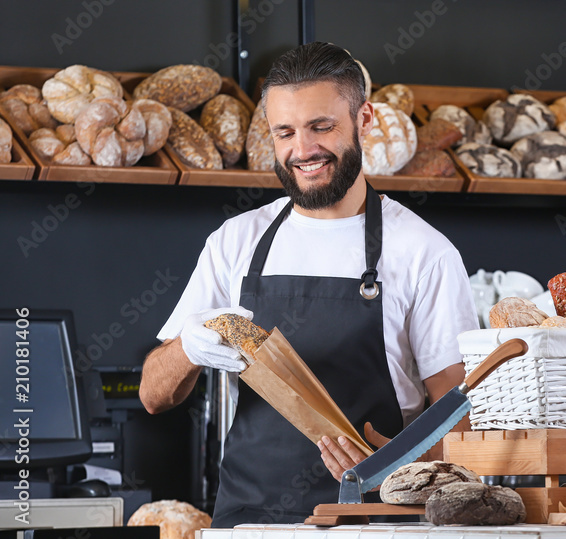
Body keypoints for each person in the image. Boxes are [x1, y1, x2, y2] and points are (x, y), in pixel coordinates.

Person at [138, 42, 478, 527]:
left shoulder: (425, 252)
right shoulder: (237, 241)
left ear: (364, 120)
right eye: (285, 132)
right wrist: (189, 348)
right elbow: (153, 395)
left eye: (322, 127)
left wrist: (403, 463)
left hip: (376, 522)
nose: (303, 150)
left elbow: (460, 422)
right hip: (249, 521)